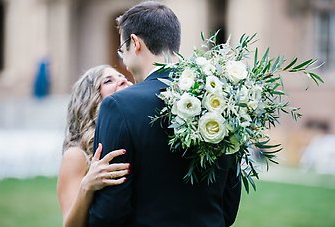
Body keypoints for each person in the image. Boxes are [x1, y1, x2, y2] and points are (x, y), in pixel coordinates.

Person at [88, 1, 241, 227]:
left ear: (135, 42)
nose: (124, 62)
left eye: (122, 51)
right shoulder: (221, 99)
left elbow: (110, 212)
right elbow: (229, 206)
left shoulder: (118, 106)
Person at [57, 65, 133, 227]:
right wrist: (87, 186)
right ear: (91, 99)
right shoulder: (76, 155)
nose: (122, 80)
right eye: (108, 81)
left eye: (121, 76)